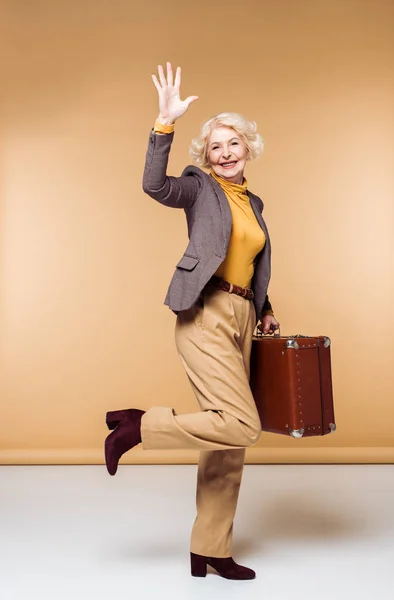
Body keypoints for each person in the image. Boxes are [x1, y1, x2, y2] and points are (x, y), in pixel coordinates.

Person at [104, 62, 280, 580]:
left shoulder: (255, 201)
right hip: (205, 311)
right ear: (206, 155)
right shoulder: (199, 188)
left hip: (245, 313)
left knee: (225, 443)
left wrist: (265, 311)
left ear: (249, 148)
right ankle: (140, 425)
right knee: (241, 425)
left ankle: (211, 549)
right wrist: (165, 125)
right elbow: (154, 186)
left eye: (234, 145)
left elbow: (253, 264)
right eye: (216, 147)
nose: (225, 154)